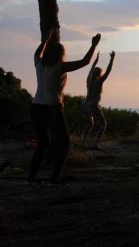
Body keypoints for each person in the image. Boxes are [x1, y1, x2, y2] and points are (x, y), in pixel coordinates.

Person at [29, 29, 101, 184]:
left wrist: (44, 41)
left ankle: (31, 176)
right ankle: (54, 177)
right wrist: (93, 45)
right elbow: (85, 62)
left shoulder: (39, 64)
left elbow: (36, 54)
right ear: (60, 55)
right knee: (65, 144)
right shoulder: (60, 67)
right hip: (52, 109)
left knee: (42, 144)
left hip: (36, 107)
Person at [81, 50, 116, 149]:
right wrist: (112, 59)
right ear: (99, 74)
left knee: (89, 123)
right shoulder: (99, 81)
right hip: (92, 105)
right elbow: (108, 70)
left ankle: (82, 142)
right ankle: (95, 144)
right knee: (103, 125)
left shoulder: (88, 79)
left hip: (84, 104)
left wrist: (96, 60)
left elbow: (90, 69)